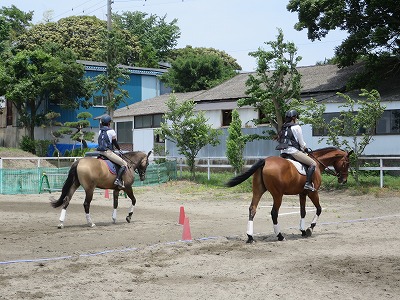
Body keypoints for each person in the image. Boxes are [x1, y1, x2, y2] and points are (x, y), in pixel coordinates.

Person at [277, 109, 317, 191]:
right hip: (293, 152)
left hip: (283, 152)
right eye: (296, 117)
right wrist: (305, 149)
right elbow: (301, 142)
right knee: (313, 163)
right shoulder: (296, 127)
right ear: (294, 117)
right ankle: (308, 183)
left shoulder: (283, 127)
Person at [97, 114, 128, 188]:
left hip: (100, 152)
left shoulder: (100, 131)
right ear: (109, 123)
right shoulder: (111, 131)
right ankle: (118, 180)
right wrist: (119, 149)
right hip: (107, 152)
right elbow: (115, 143)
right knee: (124, 164)